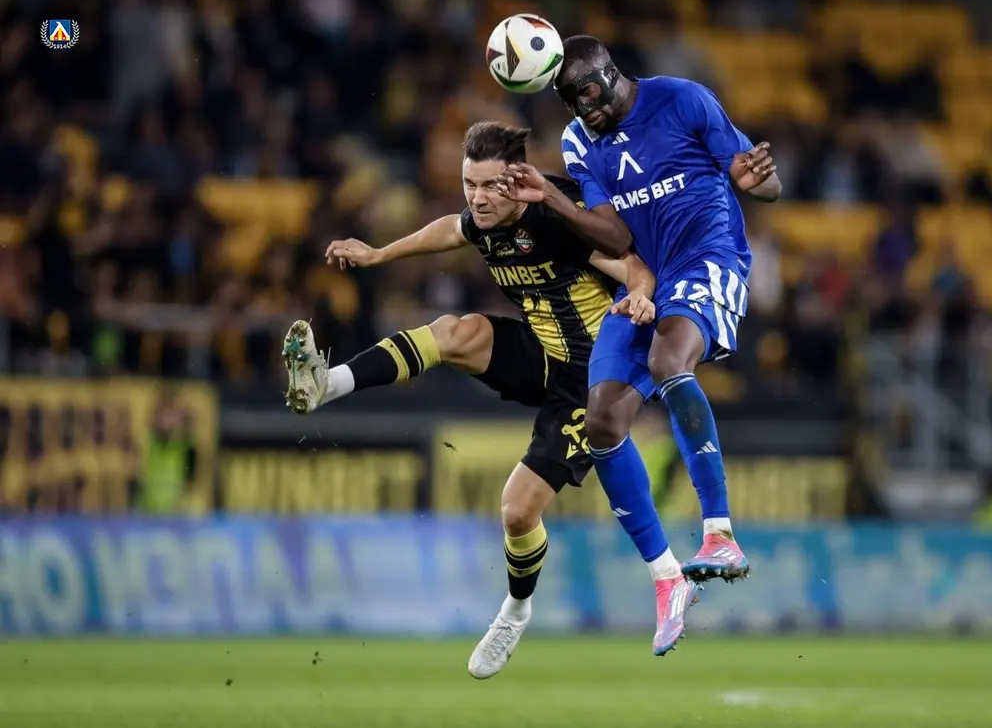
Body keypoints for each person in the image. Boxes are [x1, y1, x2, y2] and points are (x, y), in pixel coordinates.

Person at [281, 121, 666, 677]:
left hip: (592, 381)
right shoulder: (484, 219)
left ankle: (515, 611)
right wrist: (379, 254)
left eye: (489, 186)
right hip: (540, 352)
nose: (478, 198)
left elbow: (630, 263)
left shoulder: (556, 219)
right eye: (469, 184)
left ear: (517, 180)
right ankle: (325, 385)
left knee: (516, 510)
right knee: (455, 332)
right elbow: (449, 229)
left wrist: (642, 296)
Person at [496, 36, 780, 603]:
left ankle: (720, 534)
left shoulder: (683, 99)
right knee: (601, 418)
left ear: (610, 72)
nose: (583, 107)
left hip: (708, 257)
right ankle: (667, 578)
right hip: (646, 280)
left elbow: (761, 178)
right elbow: (615, 236)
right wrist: (552, 197)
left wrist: (761, 184)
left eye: (588, 92)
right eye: (570, 100)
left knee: (668, 359)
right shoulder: (579, 140)